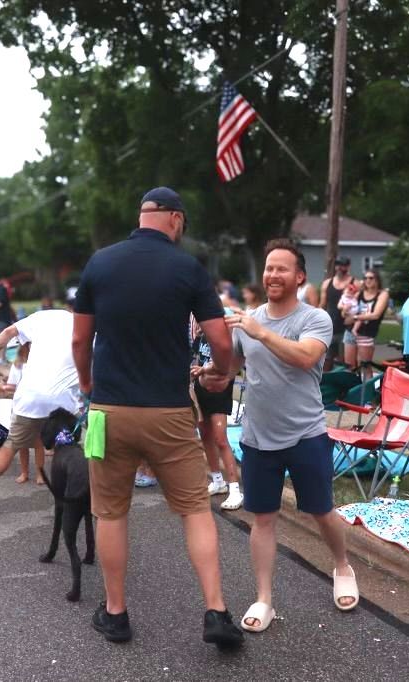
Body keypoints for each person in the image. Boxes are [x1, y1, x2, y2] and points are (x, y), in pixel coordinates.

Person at [72, 186, 244, 648]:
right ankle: (216, 611)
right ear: (174, 219)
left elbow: (78, 341)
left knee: (110, 512)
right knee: (193, 509)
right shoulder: (187, 268)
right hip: (168, 412)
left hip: (110, 411)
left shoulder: (100, 263)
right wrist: (220, 376)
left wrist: (90, 388)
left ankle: (116, 614)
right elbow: (221, 342)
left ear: (142, 216)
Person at [223, 238, 359, 634]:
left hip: (305, 434)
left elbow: (305, 358)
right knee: (262, 519)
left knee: (321, 510)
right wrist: (211, 371)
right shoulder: (246, 319)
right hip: (257, 438)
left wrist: (260, 332)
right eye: (268, 268)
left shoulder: (315, 318)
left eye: (281, 268)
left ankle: (342, 565)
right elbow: (229, 369)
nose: (272, 275)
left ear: (299, 276)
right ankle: (264, 599)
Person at [0, 308, 81, 514]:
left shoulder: (44, 316)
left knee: (11, 445)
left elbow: (7, 333)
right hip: (63, 402)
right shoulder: (89, 326)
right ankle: (73, 495)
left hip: (30, 397)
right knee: (66, 449)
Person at [191, 318, 243, 511]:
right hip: (200, 388)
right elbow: (196, 358)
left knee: (221, 439)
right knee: (204, 435)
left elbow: (225, 364)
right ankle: (217, 479)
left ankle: (235, 488)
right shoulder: (201, 336)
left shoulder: (224, 336)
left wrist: (202, 369)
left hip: (219, 391)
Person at [0, 342, 47, 485]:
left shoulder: (45, 363)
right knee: (22, 443)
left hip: (39, 408)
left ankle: (40, 474)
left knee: (38, 443)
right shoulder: (18, 365)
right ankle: (24, 472)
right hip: (21, 408)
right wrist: (2, 387)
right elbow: (11, 386)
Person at [349, 269, 390, 377]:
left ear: (377, 280)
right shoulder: (359, 294)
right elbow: (349, 308)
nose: (368, 280)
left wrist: (355, 317)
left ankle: (367, 392)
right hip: (350, 331)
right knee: (350, 366)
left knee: (365, 365)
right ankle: (355, 391)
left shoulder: (382, 294)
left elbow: (375, 315)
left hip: (367, 333)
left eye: (371, 278)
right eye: (365, 278)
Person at [319, 255, 354, 371]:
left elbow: (360, 305)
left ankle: (346, 387)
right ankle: (325, 386)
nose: (339, 268)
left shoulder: (355, 284)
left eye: (343, 265)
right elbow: (322, 305)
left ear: (348, 267)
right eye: (338, 265)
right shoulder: (327, 283)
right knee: (326, 360)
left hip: (347, 329)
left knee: (346, 363)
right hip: (330, 328)